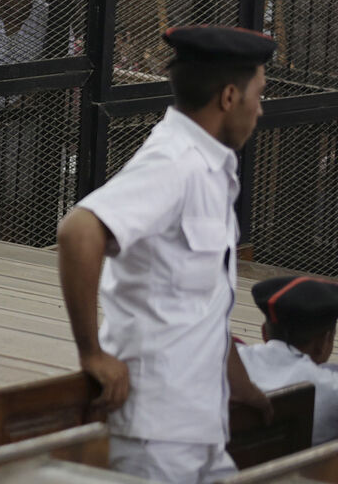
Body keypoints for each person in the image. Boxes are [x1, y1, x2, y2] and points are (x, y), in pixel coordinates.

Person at [57, 25, 277, 483]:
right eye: (260, 92)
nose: (261, 108)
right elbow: (79, 231)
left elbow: (204, 307)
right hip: (155, 432)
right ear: (230, 97)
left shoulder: (212, 167)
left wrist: (241, 387)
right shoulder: (174, 162)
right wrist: (91, 352)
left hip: (198, 424)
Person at [238, 276, 338, 445]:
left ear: (264, 333)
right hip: (297, 471)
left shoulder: (231, 363)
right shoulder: (330, 387)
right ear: (323, 343)